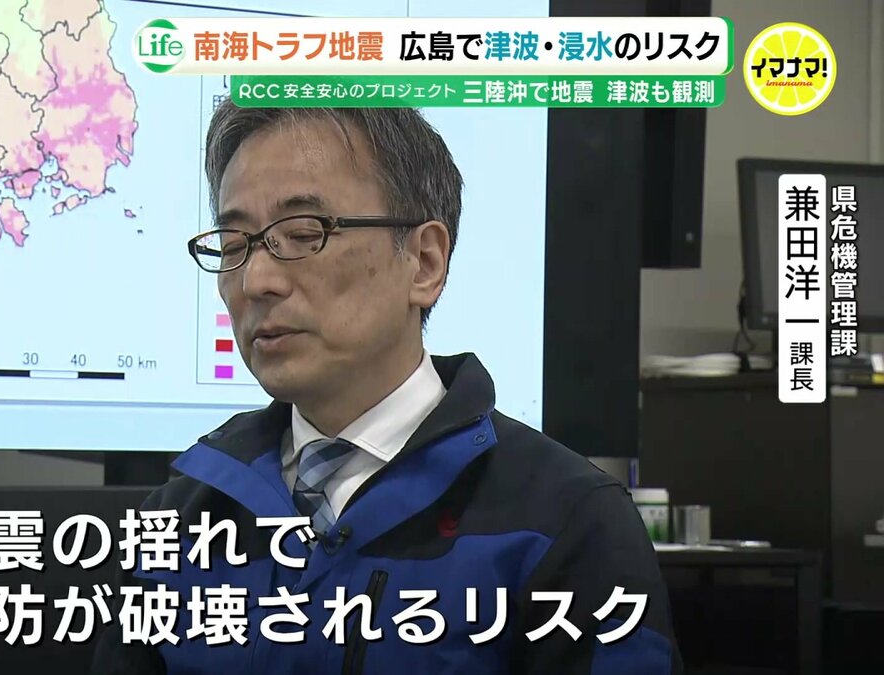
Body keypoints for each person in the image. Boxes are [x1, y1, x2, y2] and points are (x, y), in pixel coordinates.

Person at [92, 101, 683, 674]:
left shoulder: (566, 522)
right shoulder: (180, 518)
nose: (257, 280)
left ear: (424, 262)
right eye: (234, 245)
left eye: (304, 233)